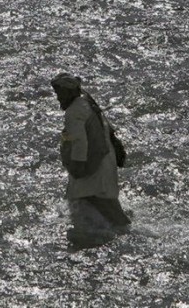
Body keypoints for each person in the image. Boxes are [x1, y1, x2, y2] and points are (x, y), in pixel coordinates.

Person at [51, 72, 131, 247]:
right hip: (103, 159)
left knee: (95, 198)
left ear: (69, 92)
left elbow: (80, 141)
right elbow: (108, 129)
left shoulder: (74, 111)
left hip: (91, 164)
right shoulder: (87, 102)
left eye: (60, 94)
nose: (58, 98)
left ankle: (126, 233)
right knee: (96, 199)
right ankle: (111, 230)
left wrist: (78, 167)